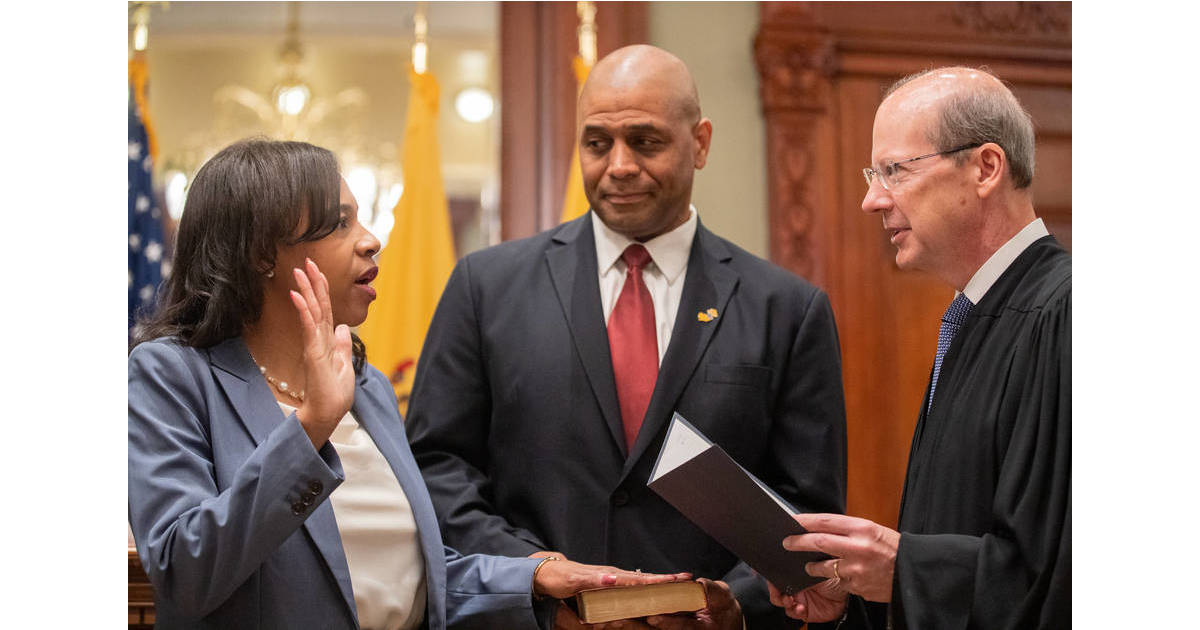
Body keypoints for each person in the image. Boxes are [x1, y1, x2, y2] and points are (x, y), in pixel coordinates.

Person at [127, 139, 687, 630]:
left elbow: (417, 580)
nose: (372, 241)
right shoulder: (171, 375)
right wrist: (313, 425)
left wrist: (537, 580)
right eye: (340, 222)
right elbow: (186, 570)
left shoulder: (365, 385)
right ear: (261, 254)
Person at [405, 45, 847, 630]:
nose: (618, 165)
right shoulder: (485, 287)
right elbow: (437, 467)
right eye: (597, 143)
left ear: (701, 143)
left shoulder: (788, 309)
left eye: (645, 141)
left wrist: (737, 601)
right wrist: (533, 573)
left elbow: (807, 505)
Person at [771, 67, 1071, 629]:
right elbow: (960, 529)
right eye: (872, 174)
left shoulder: (1066, 314)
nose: (871, 200)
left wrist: (904, 569)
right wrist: (863, 588)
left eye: (894, 171)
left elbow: (1065, 575)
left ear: (985, 168)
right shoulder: (974, 314)